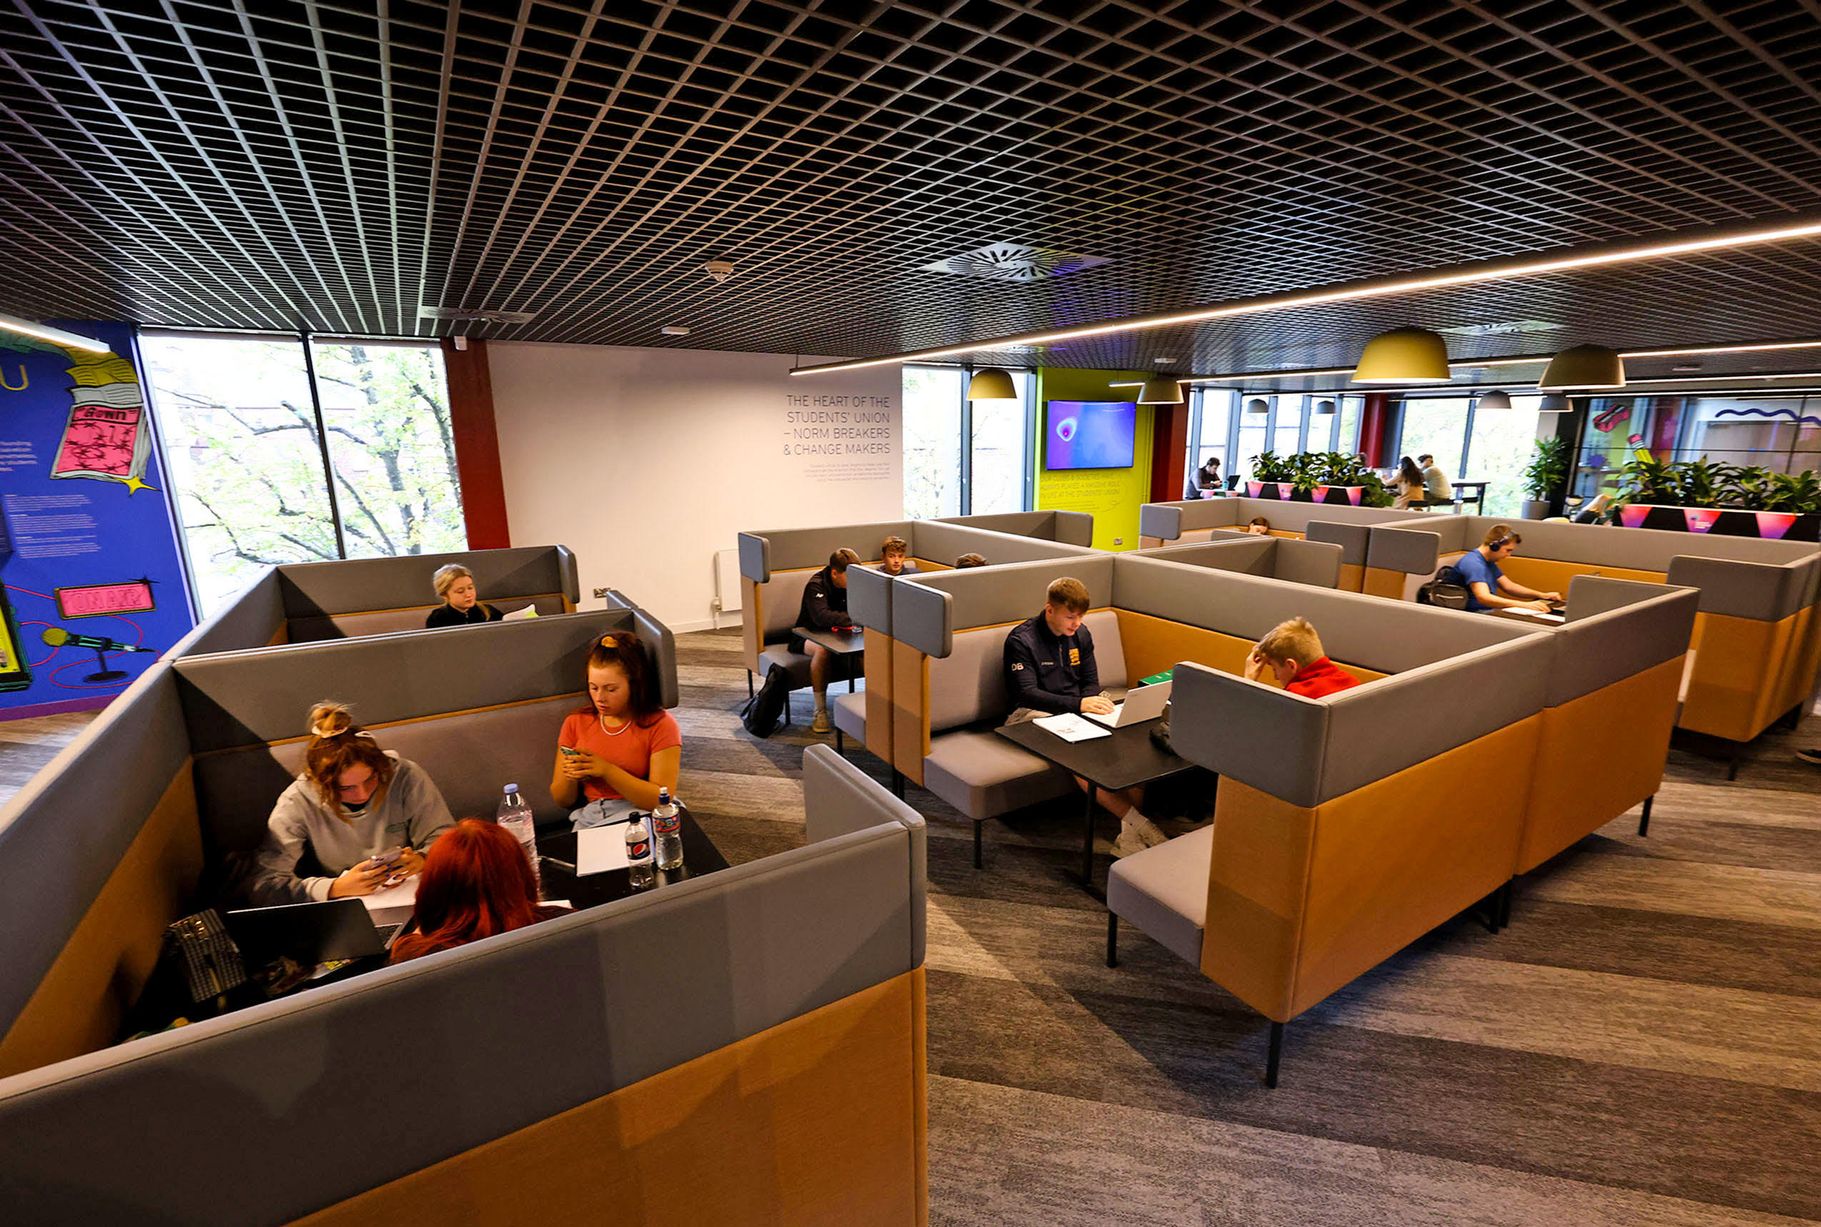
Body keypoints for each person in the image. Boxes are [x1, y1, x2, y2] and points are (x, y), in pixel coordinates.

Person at [1003, 577, 1167, 857]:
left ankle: (1128, 839)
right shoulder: (1022, 640)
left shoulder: (1082, 634)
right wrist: (1080, 705)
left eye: (1080, 616)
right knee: (1083, 756)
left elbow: (1091, 681)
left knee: (1134, 745)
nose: (1076, 623)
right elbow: (1027, 693)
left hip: (1076, 709)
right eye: (1070, 616)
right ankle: (1144, 826)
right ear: (1050, 609)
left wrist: (1093, 703)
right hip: (1030, 715)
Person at [249, 702, 454, 904]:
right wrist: (335, 888)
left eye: (371, 779)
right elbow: (265, 884)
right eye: (345, 789)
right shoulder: (298, 800)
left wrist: (423, 858)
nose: (362, 795)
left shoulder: (405, 775)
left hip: (412, 895)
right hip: (346, 905)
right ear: (320, 784)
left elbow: (445, 840)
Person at [389, 819, 568, 963]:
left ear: (433, 887)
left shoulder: (414, 958)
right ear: (520, 875)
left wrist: (428, 928)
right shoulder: (566, 927)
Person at [553, 632, 682, 829]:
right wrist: (572, 776)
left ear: (634, 685)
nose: (600, 698)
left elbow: (660, 799)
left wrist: (606, 770)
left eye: (611, 689)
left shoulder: (661, 725)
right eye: (593, 688)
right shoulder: (576, 722)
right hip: (596, 814)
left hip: (646, 811)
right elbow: (562, 800)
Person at [793, 547, 861, 734]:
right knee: (822, 651)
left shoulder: (852, 584)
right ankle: (820, 711)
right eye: (850, 576)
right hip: (807, 635)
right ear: (834, 573)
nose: (855, 581)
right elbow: (821, 617)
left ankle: (867, 708)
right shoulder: (816, 585)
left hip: (840, 636)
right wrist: (854, 618)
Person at [1454, 525, 1563, 614]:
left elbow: (1509, 586)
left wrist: (1542, 595)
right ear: (1494, 546)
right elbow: (1484, 597)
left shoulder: (1488, 562)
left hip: (1485, 611)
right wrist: (1524, 605)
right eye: (1508, 550)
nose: (1509, 555)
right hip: (1473, 614)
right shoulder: (1473, 563)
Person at [1244, 617, 1360, 698]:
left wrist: (1248, 680)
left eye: (1275, 669)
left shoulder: (1297, 698)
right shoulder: (1353, 683)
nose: (1276, 677)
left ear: (1291, 665)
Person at [425, 563, 503, 628]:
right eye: (460, 591)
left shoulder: (489, 611)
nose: (468, 594)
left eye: (470, 588)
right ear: (444, 594)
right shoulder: (437, 619)